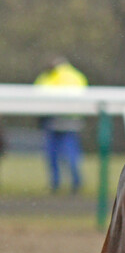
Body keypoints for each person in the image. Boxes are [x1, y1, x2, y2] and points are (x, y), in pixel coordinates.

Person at [34, 57, 88, 194]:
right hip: (65, 121)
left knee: (58, 155)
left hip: (60, 120)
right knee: (66, 154)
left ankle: (60, 184)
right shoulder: (75, 75)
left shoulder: (50, 76)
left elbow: (38, 95)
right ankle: (73, 183)